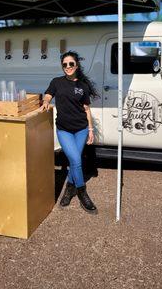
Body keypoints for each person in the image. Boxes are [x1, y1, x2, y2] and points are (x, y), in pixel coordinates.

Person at [39, 50, 98, 214]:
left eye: (71, 63)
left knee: (74, 162)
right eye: (64, 64)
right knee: (76, 160)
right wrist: (45, 102)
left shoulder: (83, 86)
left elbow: (86, 109)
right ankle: (83, 193)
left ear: (76, 65)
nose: (68, 67)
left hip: (81, 129)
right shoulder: (57, 82)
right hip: (64, 130)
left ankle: (69, 189)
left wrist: (91, 130)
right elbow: (48, 94)